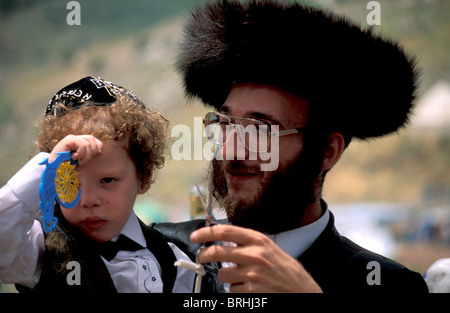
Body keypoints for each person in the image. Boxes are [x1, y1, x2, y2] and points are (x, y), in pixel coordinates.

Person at [153, 0, 429, 293]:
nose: (230, 150)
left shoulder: (388, 285)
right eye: (226, 124)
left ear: (327, 151)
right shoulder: (164, 253)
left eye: (260, 129)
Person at [0, 76, 195, 293]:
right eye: (70, 181)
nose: (89, 200)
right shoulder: (40, 248)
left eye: (107, 181)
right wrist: (48, 166)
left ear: (144, 177)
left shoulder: (173, 260)